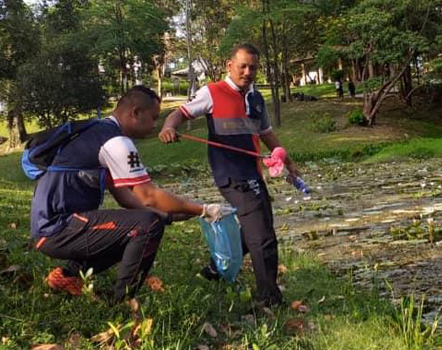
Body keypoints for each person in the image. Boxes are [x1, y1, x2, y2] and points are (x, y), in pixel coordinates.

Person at [31, 86, 224, 302]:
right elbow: (148, 196)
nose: (154, 125)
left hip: (50, 227)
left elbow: (126, 198)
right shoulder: (116, 142)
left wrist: (169, 216)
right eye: (152, 118)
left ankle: (67, 276)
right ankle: (122, 300)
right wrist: (203, 209)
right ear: (135, 112)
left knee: (140, 224)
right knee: (148, 226)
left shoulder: (99, 132)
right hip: (57, 228)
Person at [158, 43, 300, 307]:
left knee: (253, 230)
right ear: (229, 65)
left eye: (253, 67)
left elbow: (266, 133)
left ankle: (215, 269)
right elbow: (180, 112)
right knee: (264, 237)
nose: (248, 71)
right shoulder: (212, 92)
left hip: (253, 172)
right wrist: (168, 126)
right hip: (231, 175)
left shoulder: (256, 98)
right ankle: (269, 299)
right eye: (243, 66)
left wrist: (288, 161)